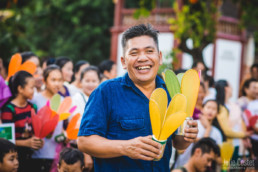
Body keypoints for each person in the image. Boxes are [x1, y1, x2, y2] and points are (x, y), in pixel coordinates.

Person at [77, 24, 198, 171]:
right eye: (134, 53)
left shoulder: (170, 92)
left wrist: (187, 137)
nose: (142, 58)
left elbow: (178, 143)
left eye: (149, 51)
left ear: (159, 57)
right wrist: (125, 147)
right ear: (123, 61)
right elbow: (84, 141)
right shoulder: (106, 92)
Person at [1, 71, 44, 172]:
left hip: (32, 157)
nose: (34, 91)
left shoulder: (33, 107)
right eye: (31, 87)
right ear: (20, 88)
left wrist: (38, 141)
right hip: (14, 158)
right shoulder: (9, 109)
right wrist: (26, 143)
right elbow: (5, 139)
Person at [30, 64, 64, 172]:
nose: (57, 84)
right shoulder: (35, 99)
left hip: (57, 154)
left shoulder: (63, 100)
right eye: (53, 80)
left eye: (60, 80)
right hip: (37, 153)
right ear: (44, 81)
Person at [174, 99, 223, 169]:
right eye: (208, 107)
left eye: (214, 109)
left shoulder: (217, 133)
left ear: (217, 113)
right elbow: (180, 150)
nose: (210, 111)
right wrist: (208, 128)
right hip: (183, 165)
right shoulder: (192, 123)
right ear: (202, 109)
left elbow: (218, 158)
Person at [215, 80, 251, 161]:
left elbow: (240, 122)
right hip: (228, 145)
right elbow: (226, 131)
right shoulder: (220, 107)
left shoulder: (233, 105)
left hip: (238, 144)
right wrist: (244, 134)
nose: (232, 89)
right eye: (230, 87)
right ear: (226, 88)